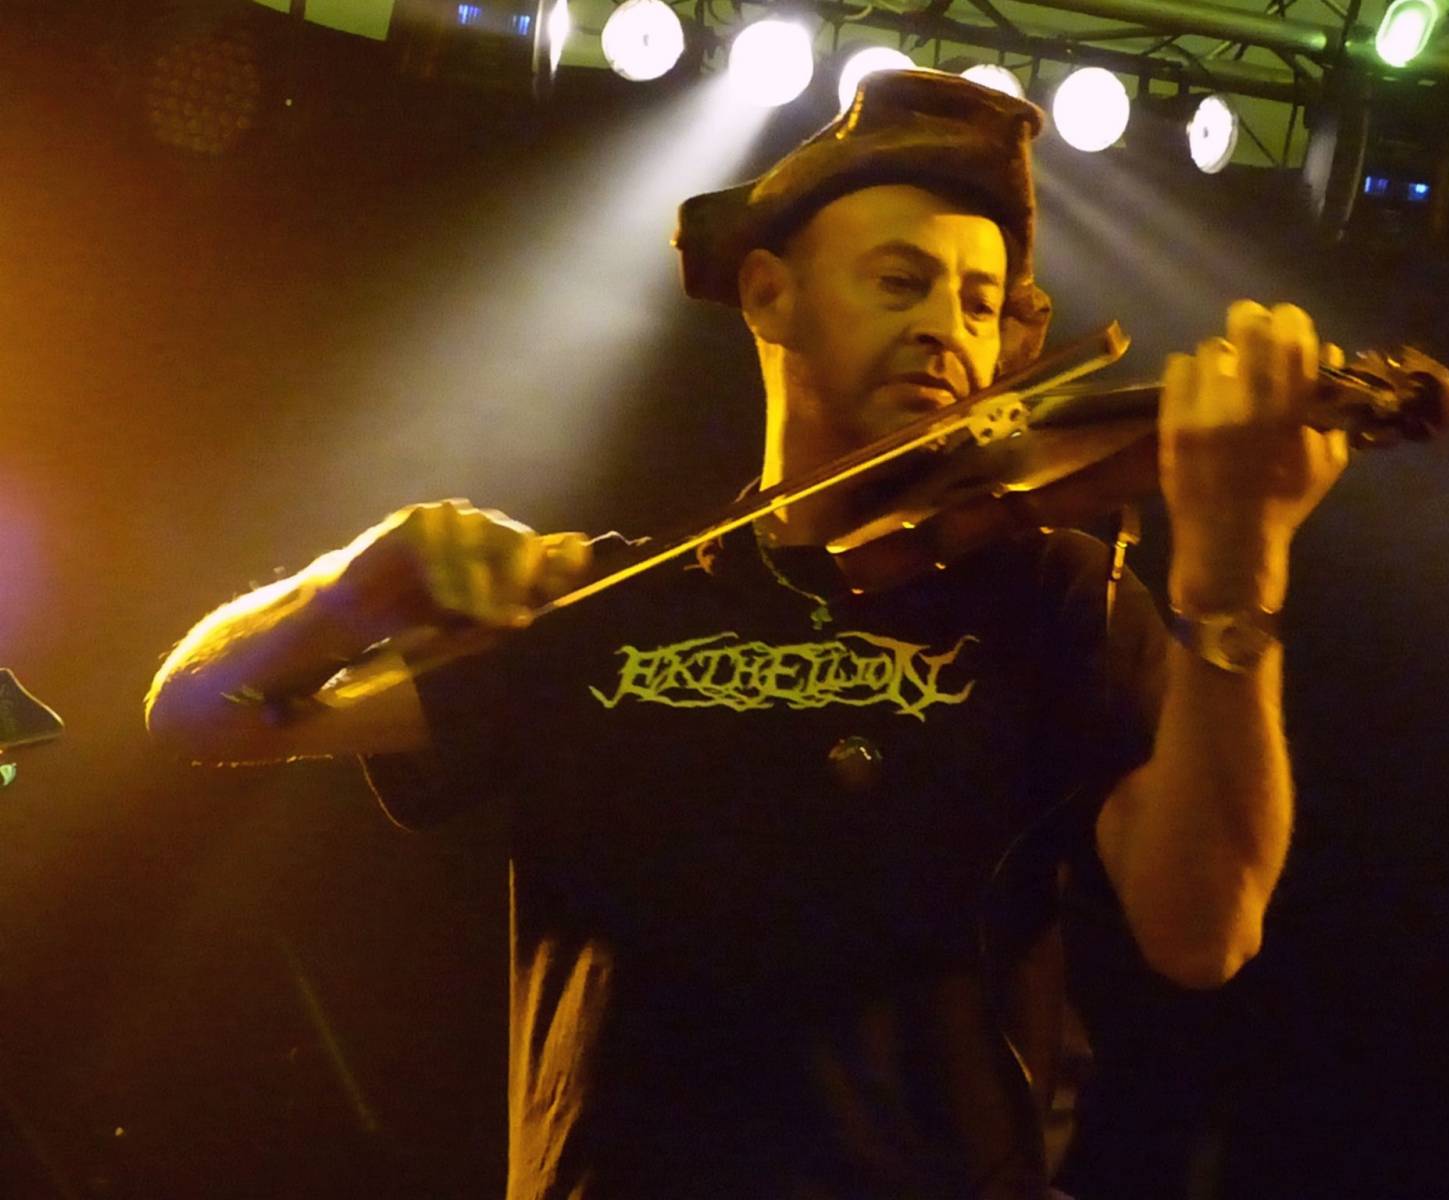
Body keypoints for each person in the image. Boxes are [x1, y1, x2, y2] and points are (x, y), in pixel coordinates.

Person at [145, 71, 1346, 1200]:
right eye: (901, 281)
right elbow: (200, 714)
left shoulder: (1050, 595)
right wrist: (353, 588)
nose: (949, 329)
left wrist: (1235, 574)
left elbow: (1204, 932)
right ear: (770, 294)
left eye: (980, 303)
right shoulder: (603, 600)